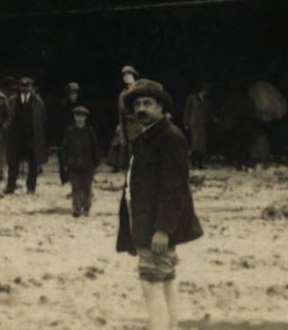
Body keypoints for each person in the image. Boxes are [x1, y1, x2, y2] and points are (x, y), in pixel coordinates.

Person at [116, 79, 202, 330]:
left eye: (148, 103)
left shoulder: (168, 137)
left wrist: (163, 229)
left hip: (157, 227)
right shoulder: (148, 135)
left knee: (151, 283)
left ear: (162, 107)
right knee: (166, 279)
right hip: (149, 224)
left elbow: (175, 188)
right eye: (137, 104)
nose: (141, 109)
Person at [5, 75, 47, 195]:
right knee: (13, 163)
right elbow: (7, 116)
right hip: (16, 138)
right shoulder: (12, 101)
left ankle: (31, 188)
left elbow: (43, 119)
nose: (25, 88)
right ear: (19, 87)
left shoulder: (38, 102)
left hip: (31, 138)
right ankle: (10, 187)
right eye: (23, 86)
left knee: (33, 164)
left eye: (28, 86)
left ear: (31, 87)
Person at [61, 106, 101, 217]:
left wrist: (96, 161)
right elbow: (65, 147)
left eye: (82, 116)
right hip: (73, 164)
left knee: (87, 187)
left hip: (87, 164)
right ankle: (77, 208)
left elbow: (95, 147)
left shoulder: (90, 131)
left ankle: (86, 207)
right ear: (74, 117)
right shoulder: (70, 131)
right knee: (76, 187)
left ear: (85, 118)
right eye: (77, 116)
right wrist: (65, 162)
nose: (79, 118)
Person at [111, 64, 141, 170]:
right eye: (124, 75)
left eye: (128, 74)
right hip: (130, 129)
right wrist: (122, 135)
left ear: (134, 76)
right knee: (130, 160)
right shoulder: (122, 95)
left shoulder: (141, 90)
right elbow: (121, 116)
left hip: (142, 127)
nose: (126, 77)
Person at [182, 84, 211, 169]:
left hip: (202, 125)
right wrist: (186, 122)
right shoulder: (192, 98)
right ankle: (192, 163)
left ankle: (200, 164)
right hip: (193, 124)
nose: (205, 94)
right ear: (201, 91)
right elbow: (187, 110)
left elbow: (208, 112)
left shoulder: (207, 100)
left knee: (202, 146)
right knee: (194, 145)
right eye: (205, 92)